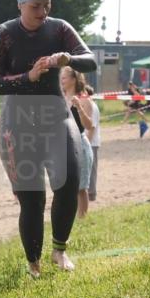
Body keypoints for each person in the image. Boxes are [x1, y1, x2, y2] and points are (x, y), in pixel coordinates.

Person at [0, 0, 96, 277]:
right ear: (20, 5)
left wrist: (67, 58)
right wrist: (28, 77)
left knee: (69, 181)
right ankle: (33, 263)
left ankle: (59, 250)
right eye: (36, 6)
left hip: (56, 116)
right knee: (32, 198)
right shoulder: (2, 34)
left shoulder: (59, 28)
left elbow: (90, 60)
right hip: (17, 123)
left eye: (47, 5)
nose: (42, 12)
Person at [60, 67, 94, 218]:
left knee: (81, 187)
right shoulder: (59, 98)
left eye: (64, 78)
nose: (61, 80)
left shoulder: (84, 99)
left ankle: (82, 219)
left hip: (79, 144)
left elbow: (89, 125)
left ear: (73, 79)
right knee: (65, 187)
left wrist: (79, 107)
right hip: (62, 146)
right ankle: (68, 218)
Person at [84, 85, 101, 202]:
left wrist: (87, 144)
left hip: (92, 143)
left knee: (91, 169)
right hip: (88, 141)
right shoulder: (87, 106)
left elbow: (92, 128)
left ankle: (91, 194)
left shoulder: (92, 107)